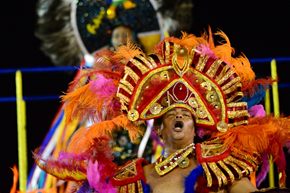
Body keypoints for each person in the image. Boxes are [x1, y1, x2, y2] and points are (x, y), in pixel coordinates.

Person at [34, 28, 290, 193]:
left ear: (197, 126)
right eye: (170, 114)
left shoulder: (220, 164)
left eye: (187, 114)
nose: (178, 115)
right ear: (158, 128)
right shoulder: (133, 176)